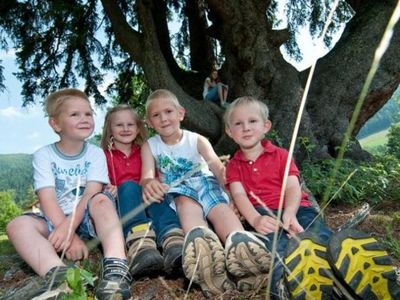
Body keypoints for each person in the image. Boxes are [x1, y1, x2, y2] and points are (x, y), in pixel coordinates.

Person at [224, 96, 400, 299]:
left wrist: (290, 213)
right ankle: (288, 287)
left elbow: (293, 187)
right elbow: (238, 194)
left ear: (266, 126)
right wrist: (255, 219)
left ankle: (348, 273)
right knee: (278, 250)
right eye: (238, 123)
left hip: (298, 209)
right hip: (262, 214)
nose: (246, 128)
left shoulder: (281, 155)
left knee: (321, 237)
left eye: (252, 121)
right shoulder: (233, 165)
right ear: (229, 131)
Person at [140, 89, 271, 297]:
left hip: (205, 181)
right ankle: (202, 249)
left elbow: (218, 169)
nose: (164, 118)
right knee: (185, 205)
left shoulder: (196, 139)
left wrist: (232, 196)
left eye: (168, 111)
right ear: (149, 121)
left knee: (220, 207)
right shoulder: (150, 145)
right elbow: (146, 176)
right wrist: (149, 183)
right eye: (156, 115)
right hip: (178, 189)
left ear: (181, 113)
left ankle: (238, 244)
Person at [6, 89, 132, 300]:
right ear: (55, 124)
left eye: (88, 114)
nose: (85, 119)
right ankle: (58, 275)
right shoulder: (43, 155)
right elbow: (47, 198)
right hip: (55, 219)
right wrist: (67, 234)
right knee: (16, 225)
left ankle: (116, 267)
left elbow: (91, 192)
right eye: (75, 115)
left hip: (88, 218)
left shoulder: (94, 153)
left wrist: (70, 229)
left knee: (101, 199)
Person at [101, 104, 184, 277]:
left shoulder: (146, 151)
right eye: (119, 125)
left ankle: (173, 240)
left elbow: (154, 176)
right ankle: (140, 245)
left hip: (150, 204)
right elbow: (97, 183)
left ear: (138, 128)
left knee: (151, 188)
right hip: (123, 206)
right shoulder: (102, 155)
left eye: (130, 124)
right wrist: (106, 187)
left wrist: (153, 184)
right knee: (129, 186)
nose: (125, 129)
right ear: (110, 129)